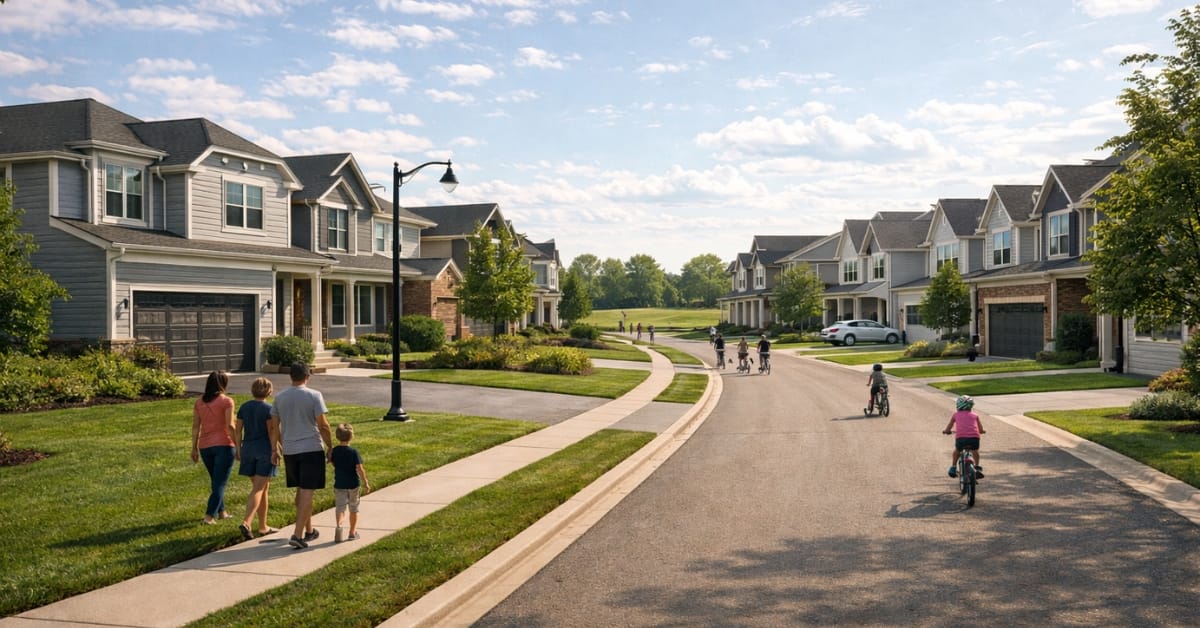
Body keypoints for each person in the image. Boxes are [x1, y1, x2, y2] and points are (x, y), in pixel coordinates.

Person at [272, 362, 333, 549]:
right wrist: (331, 446)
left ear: (291, 376)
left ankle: (309, 530)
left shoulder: (279, 398)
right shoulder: (314, 395)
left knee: (301, 490)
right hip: (311, 448)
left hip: (290, 450)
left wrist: (275, 449)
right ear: (308, 376)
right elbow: (323, 425)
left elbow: (275, 427)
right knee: (307, 492)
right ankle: (297, 535)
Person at [235, 377, 280, 540]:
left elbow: (238, 431)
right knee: (258, 489)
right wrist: (276, 449)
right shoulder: (269, 409)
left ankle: (263, 526)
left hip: (247, 450)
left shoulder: (244, 407)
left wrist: (238, 449)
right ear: (269, 391)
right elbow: (271, 431)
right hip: (264, 451)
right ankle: (247, 522)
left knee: (263, 489)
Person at [191, 371, 236, 525]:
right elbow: (230, 425)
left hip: (205, 447)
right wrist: (238, 444)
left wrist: (194, 448)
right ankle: (209, 516)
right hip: (224, 445)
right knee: (220, 483)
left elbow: (196, 427)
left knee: (216, 481)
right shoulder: (227, 401)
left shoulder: (199, 403)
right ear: (223, 384)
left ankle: (222, 512)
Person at [331, 422, 371, 543]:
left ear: (337, 436)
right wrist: (366, 482)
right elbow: (360, 468)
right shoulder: (353, 452)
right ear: (351, 436)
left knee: (340, 508)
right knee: (354, 508)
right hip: (353, 484)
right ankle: (352, 532)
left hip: (339, 484)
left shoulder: (334, 451)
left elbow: (333, 463)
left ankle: (339, 525)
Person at [943, 395, 986, 479]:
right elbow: (980, 429)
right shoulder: (975, 415)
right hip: (974, 438)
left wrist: (946, 431)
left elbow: (949, 426)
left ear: (958, 405)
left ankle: (953, 467)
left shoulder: (956, 415)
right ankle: (976, 467)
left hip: (961, 438)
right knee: (975, 451)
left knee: (957, 451)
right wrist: (981, 431)